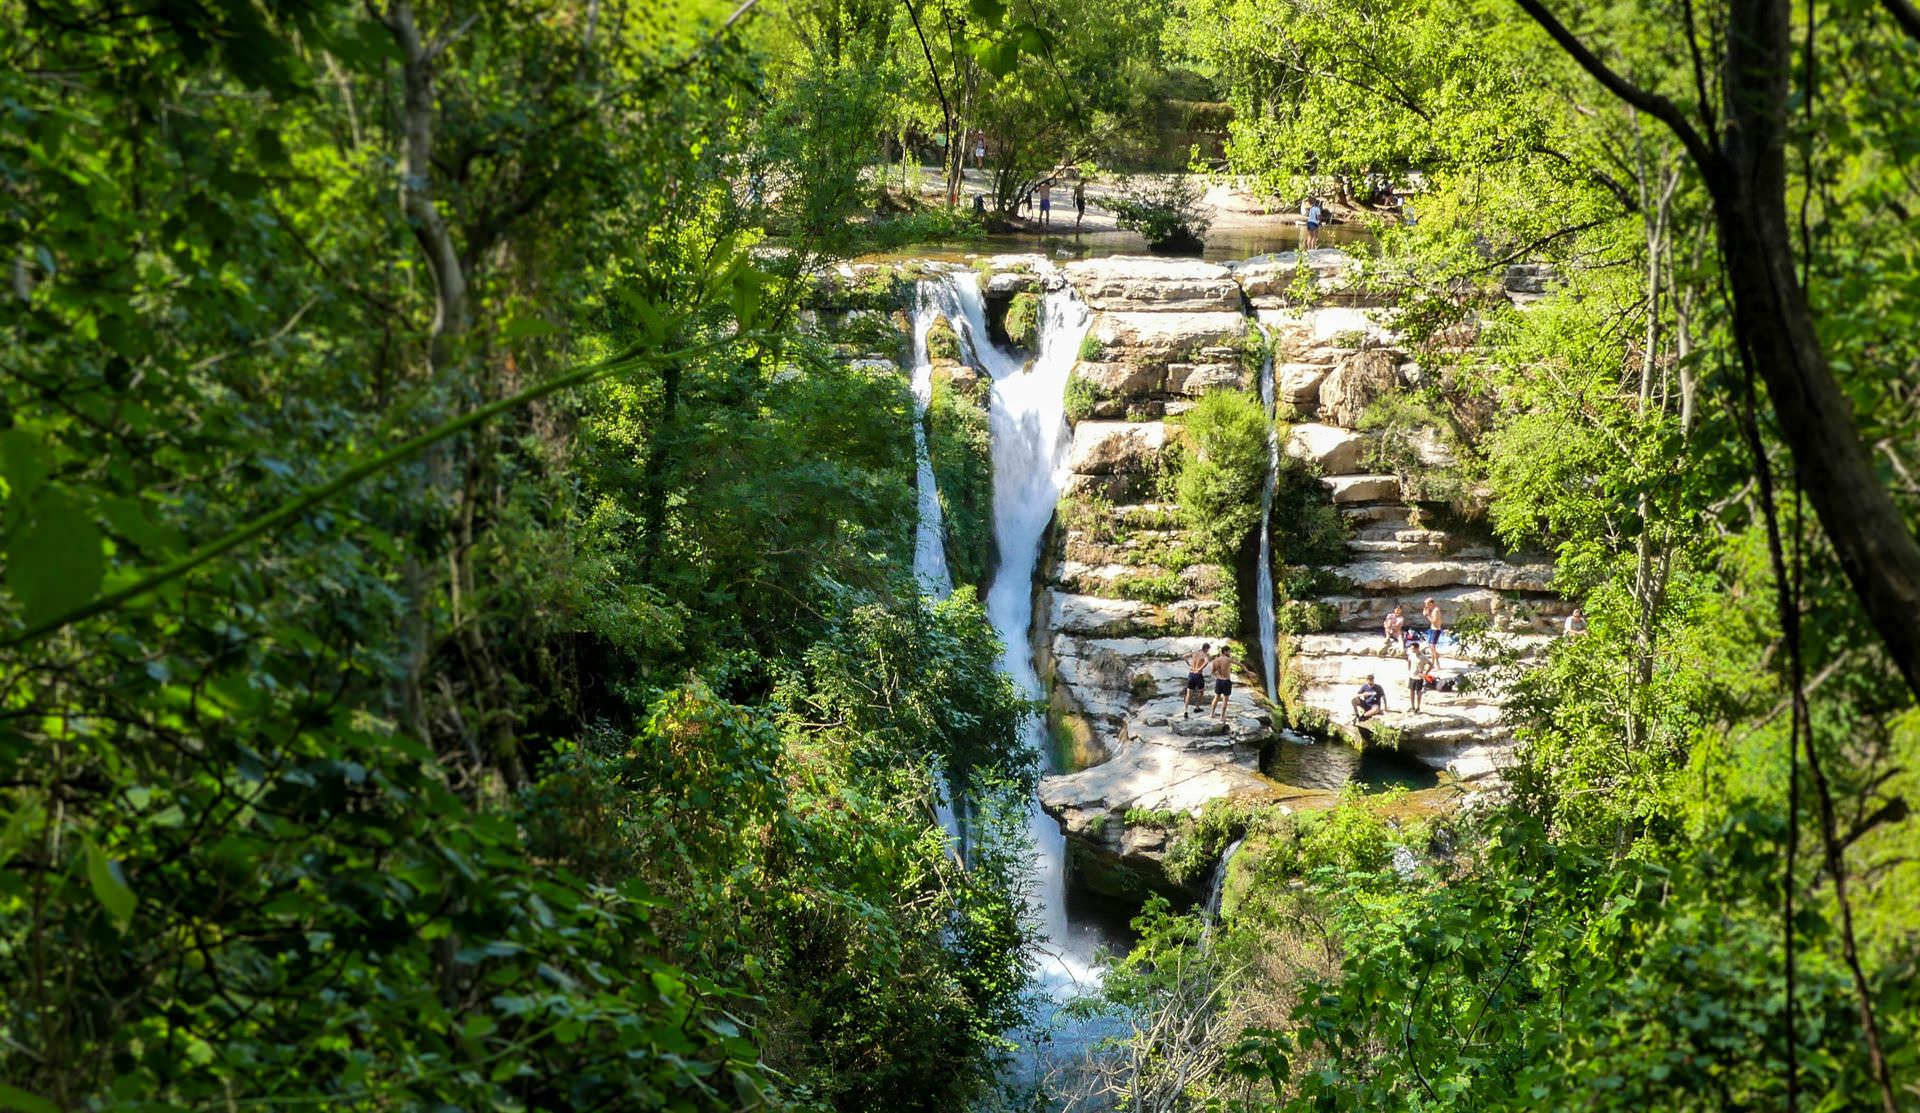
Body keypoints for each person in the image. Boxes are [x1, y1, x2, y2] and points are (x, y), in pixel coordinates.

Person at [1183, 643, 1211, 717]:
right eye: (1208, 649)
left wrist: (1188, 664)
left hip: (1191, 674)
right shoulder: (1203, 654)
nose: (1208, 651)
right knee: (1201, 692)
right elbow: (1206, 661)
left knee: (1189, 693)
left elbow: (1184, 656)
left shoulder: (1194, 653)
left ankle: (1185, 710)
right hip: (1198, 675)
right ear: (1206, 648)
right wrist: (1200, 668)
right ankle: (1197, 707)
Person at [1208, 646, 1234, 719]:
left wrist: (1218, 676)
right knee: (1225, 699)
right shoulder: (1228, 659)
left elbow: (1212, 672)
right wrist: (1248, 671)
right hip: (1226, 681)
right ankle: (1222, 716)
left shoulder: (1215, 660)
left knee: (1216, 697)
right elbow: (1240, 664)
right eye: (1229, 651)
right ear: (1225, 652)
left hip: (1219, 681)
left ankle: (1212, 714)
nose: (1230, 653)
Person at [1423, 597, 1447, 667]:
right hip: (1432, 629)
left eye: (1427, 604)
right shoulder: (1433, 610)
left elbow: (1434, 621)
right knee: (1431, 647)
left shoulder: (1436, 610)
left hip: (1436, 630)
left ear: (1431, 603)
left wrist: (1427, 615)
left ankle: (1437, 664)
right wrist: (1427, 613)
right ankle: (1433, 664)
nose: (1426, 605)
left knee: (1432, 647)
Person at [1406, 641, 1427, 713]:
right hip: (1412, 676)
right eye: (1411, 648)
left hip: (1419, 677)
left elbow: (1430, 664)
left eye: (1413, 648)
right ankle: (1412, 706)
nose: (1412, 650)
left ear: (1417, 648)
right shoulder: (1411, 655)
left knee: (1418, 692)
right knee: (1411, 691)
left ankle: (1418, 707)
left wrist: (1425, 673)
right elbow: (1409, 661)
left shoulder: (1423, 656)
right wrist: (1409, 670)